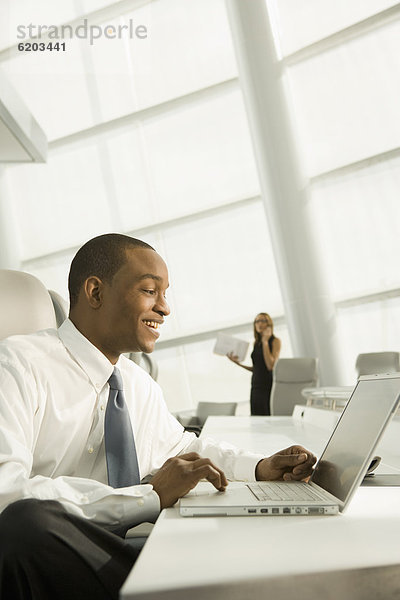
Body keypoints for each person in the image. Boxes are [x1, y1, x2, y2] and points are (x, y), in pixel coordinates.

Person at [0, 234, 314, 600]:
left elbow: (185, 449)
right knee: (27, 525)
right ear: (95, 293)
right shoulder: (19, 364)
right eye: (150, 291)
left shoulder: (136, 383)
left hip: (118, 551)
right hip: (48, 556)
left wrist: (260, 467)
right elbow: (6, 491)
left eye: (166, 294)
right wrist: (148, 497)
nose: (165, 309)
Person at [228, 313, 281, 415]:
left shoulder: (275, 341)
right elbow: (256, 369)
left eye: (263, 321)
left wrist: (265, 342)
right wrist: (237, 363)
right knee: (256, 417)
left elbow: (270, 366)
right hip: (256, 385)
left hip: (268, 386)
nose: (259, 324)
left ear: (269, 324)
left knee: (268, 416)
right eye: (257, 321)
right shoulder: (256, 343)